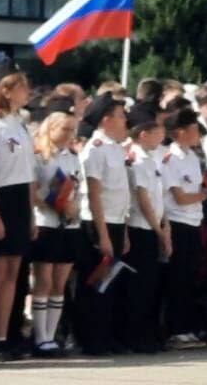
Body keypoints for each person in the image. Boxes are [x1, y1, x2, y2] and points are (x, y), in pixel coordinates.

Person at [0, 63, 36, 359]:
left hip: (20, 198)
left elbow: (27, 172)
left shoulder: (20, 122)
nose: (28, 92)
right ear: (7, 91)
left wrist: (31, 213)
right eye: (23, 87)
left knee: (13, 271)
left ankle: (2, 335)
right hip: (0, 197)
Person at [76, 94, 130, 356]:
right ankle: (91, 339)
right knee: (96, 284)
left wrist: (124, 230)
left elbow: (121, 192)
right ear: (107, 120)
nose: (125, 120)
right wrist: (104, 235)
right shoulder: (95, 148)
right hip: (99, 223)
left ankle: (106, 335)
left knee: (111, 284)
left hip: (117, 222)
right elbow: (94, 194)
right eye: (121, 115)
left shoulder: (116, 147)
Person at [28, 111, 82, 357]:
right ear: (51, 129)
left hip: (68, 223)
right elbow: (35, 191)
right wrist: (54, 203)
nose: (70, 135)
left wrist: (74, 208)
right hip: (46, 221)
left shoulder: (72, 156)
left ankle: (51, 335)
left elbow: (78, 187)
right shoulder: (39, 155)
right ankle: (40, 337)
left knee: (60, 282)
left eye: (73, 130)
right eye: (65, 129)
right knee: (44, 279)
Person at [162, 107, 207, 349]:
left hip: (193, 222)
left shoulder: (193, 157)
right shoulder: (169, 158)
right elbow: (180, 197)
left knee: (191, 276)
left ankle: (187, 326)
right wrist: (204, 195)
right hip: (177, 223)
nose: (197, 134)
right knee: (176, 279)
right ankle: (175, 329)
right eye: (193, 129)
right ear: (180, 132)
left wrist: (201, 196)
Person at [122, 106, 170, 353]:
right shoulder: (137, 159)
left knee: (150, 286)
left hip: (154, 227)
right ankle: (135, 337)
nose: (162, 137)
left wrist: (164, 227)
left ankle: (148, 334)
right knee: (139, 287)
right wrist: (158, 230)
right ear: (143, 134)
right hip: (141, 228)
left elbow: (159, 197)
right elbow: (143, 199)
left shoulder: (152, 158)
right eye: (157, 132)